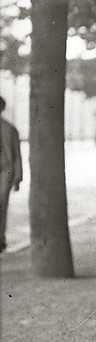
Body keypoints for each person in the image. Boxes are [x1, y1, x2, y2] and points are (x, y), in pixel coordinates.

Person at [0, 96, 23, 252]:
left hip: (4, 172)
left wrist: (17, 178)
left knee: (1, 204)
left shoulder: (9, 129)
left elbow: (16, 155)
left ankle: (0, 239)